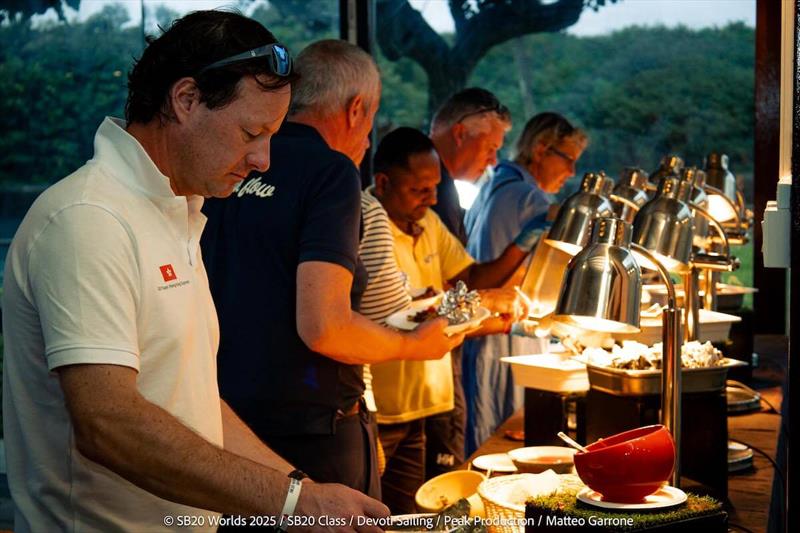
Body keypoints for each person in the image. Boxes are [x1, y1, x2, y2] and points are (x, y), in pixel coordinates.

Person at [2, 11, 389, 533]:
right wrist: (291, 503)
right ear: (185, 99)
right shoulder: (88, 218)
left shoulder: (175, 213)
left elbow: (195, 404)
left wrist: (304, 492)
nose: (263, 159)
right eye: (252, 131)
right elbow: (107, 421)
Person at [200, 40, 461, 502]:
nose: (367, 139)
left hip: (223, 421)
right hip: (314, 431)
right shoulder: (331, 172)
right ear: (355, 108)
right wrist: (414, 345)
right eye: (371, 118)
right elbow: (324, 327)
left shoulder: (232, 162)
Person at [370, 127, 538, 513]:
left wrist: (523, 244)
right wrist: (484, 301)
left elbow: (469, 279)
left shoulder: (428, 221)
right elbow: (402, 313)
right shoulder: (367, 222)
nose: (431, 199)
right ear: (383, 183)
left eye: (435, 188)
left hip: (433, 400)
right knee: (379, 513)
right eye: (419, 190)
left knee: (426, 514)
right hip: (384, 405)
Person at [462, 112, 588, 455]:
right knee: (503, 440)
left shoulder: (495, 184)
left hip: (488, 335)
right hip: (503, 338)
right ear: (540, 148)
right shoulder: (528, 200)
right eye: (569, 160)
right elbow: (521, 279)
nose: (572, 173)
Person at [429, 87, 512, 244]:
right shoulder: (429, 191)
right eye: (490, 148)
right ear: (460, 134)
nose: (493, 161)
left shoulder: (444, 187)